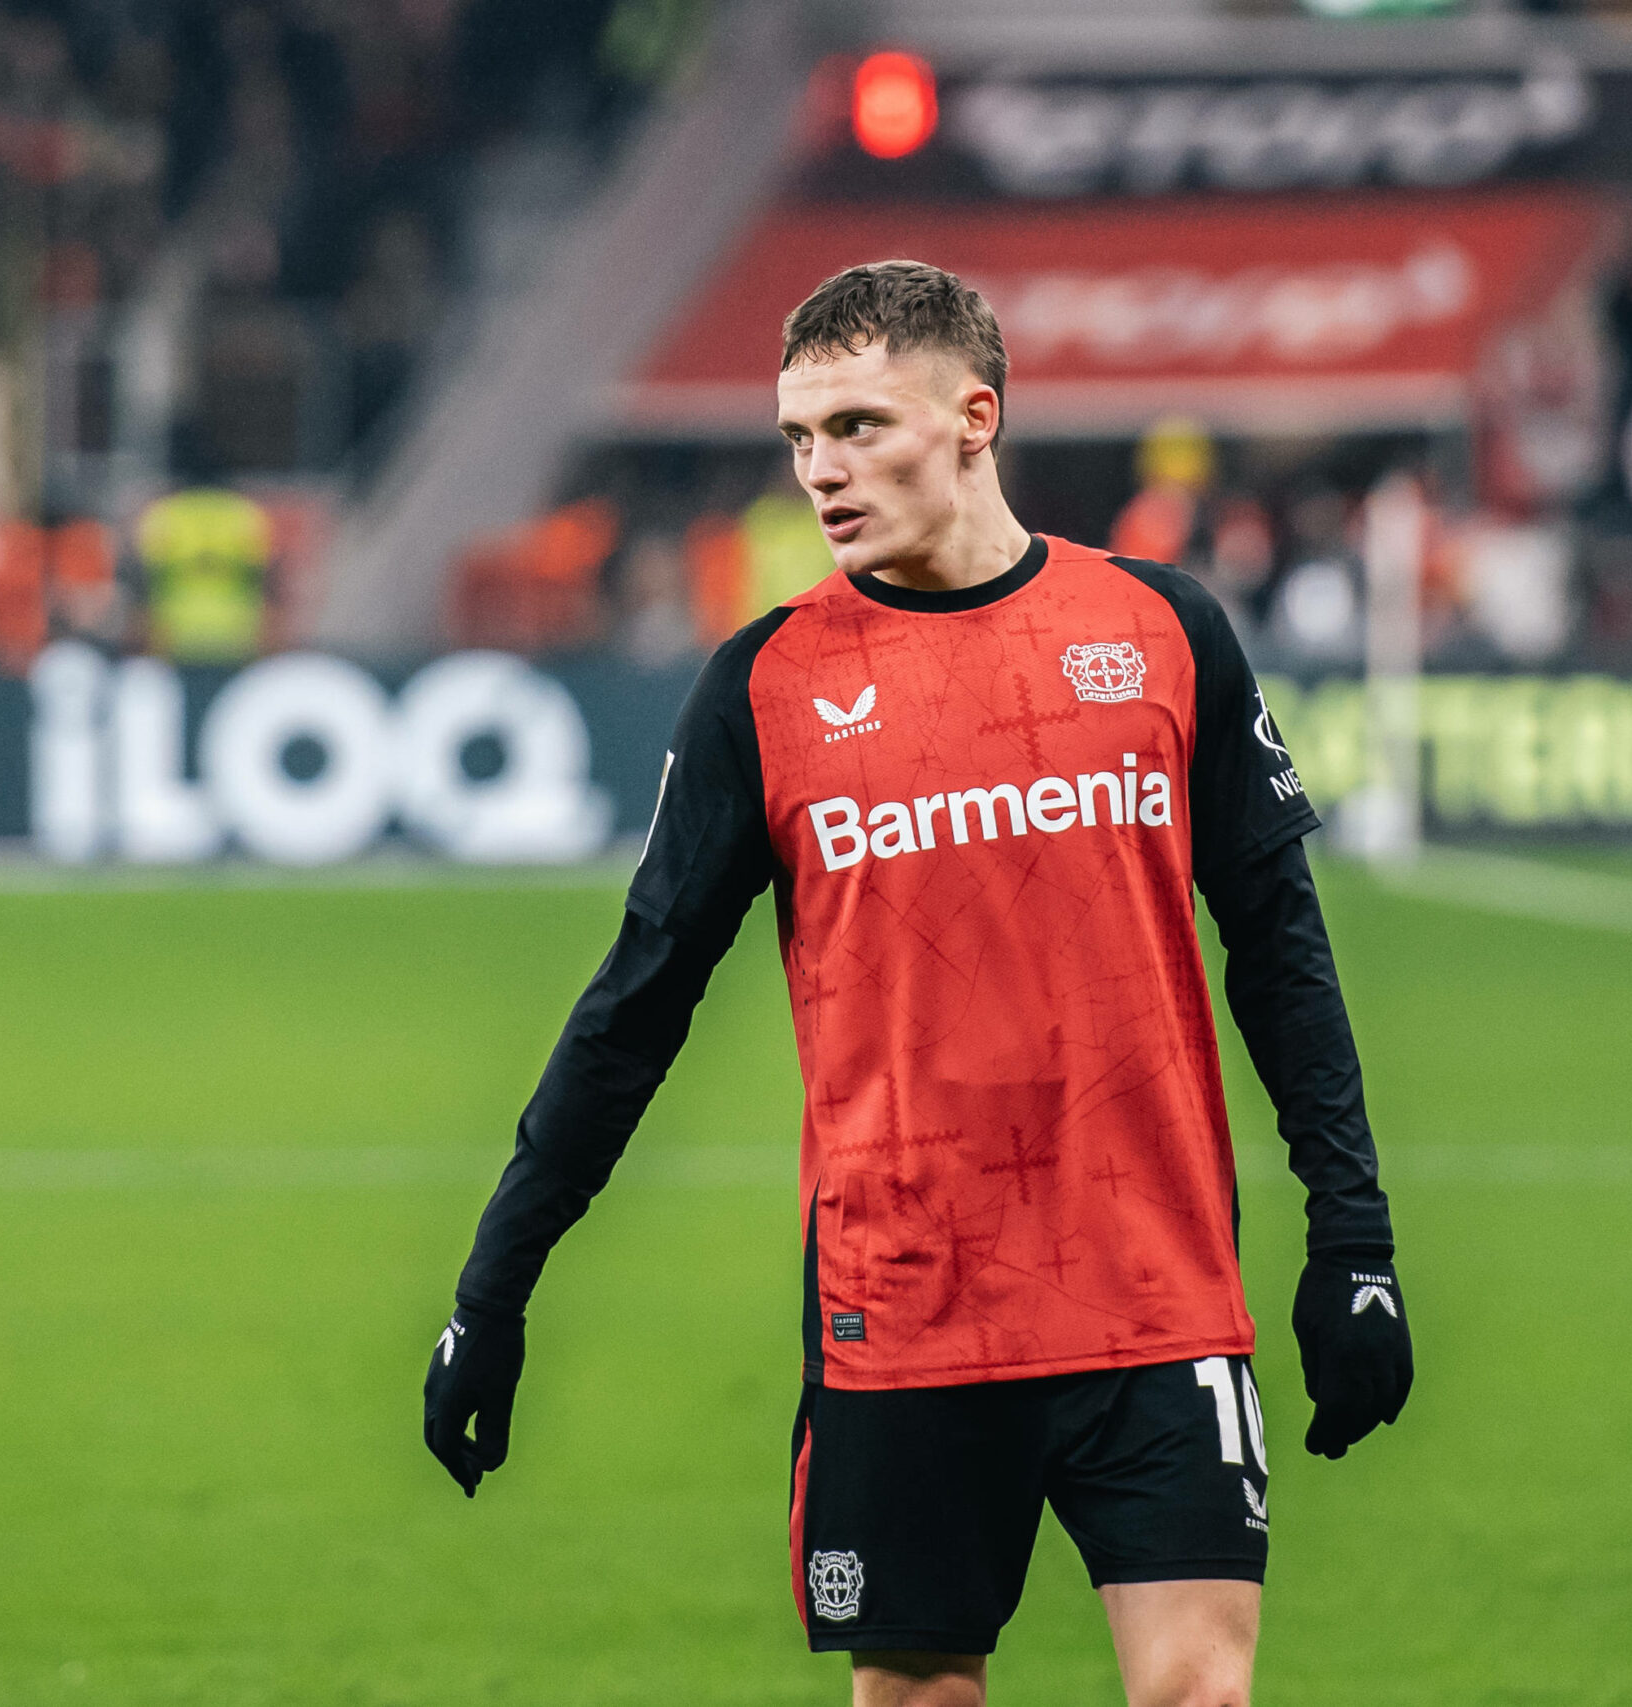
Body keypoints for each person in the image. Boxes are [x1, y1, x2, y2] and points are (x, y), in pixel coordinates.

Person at [424, 260, 1412, 1707]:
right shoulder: (764, 687)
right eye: (799, 438)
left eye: (860, 427)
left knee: (1200, 1693)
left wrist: (1357, 1239)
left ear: (975, 416)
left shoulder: (1162, 632)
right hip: (906, 1317)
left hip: (1155, 1300)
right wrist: (493, 1290)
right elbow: (634, 1009)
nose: (820, 473)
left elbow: (1279, 947)